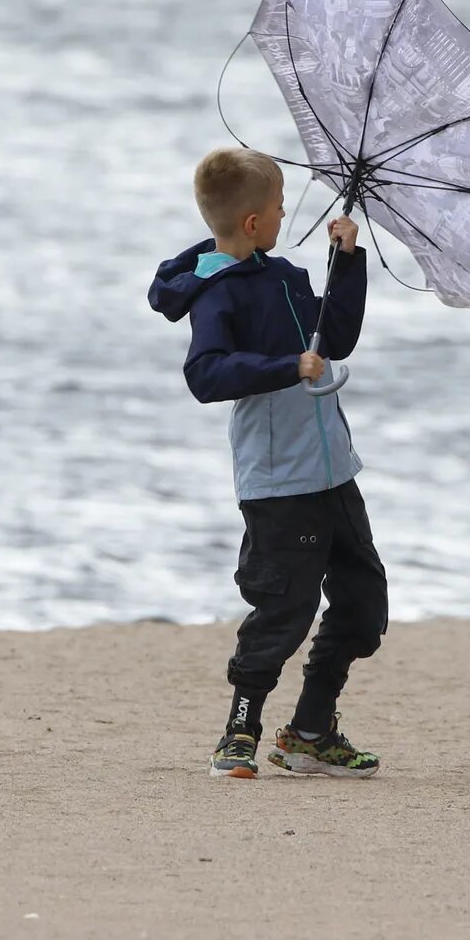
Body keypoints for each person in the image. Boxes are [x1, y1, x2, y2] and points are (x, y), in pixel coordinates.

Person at [149, 146, 385, 780]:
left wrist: (347, 259)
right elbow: (205, 374)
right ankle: (240, 731)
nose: (286, 214)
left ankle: (309, 731)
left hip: (335, 469)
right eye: (280, 207)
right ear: (252, 222)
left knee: (364, 606)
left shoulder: (283, 277)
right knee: (284, 608)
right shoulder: (217, 293)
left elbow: (332, 340)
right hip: (279, 483)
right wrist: (285, 367)